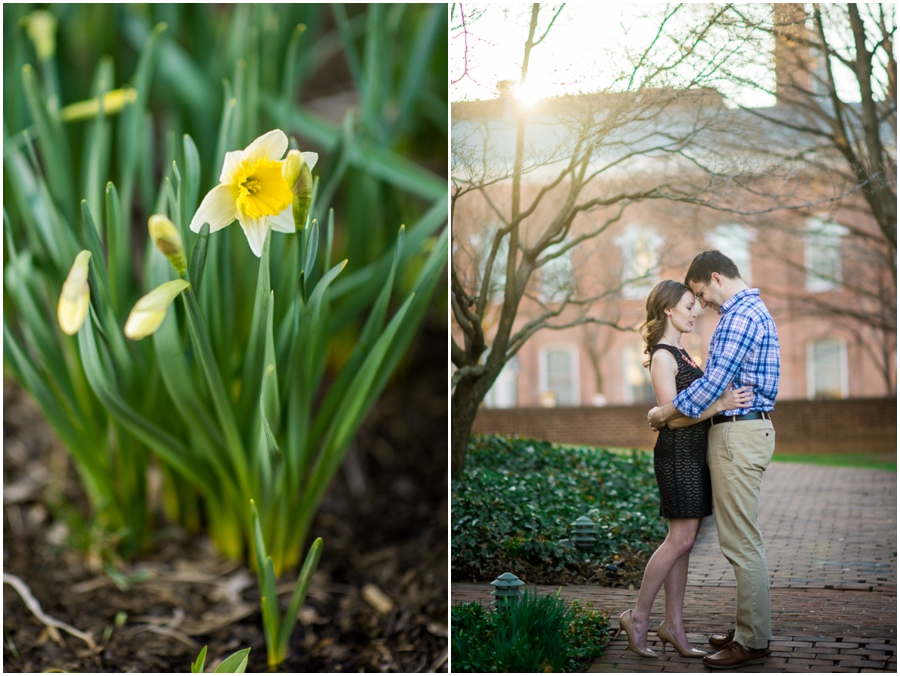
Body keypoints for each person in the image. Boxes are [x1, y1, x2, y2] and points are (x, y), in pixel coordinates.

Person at [648, 250, 780, 670]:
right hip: (742, 430)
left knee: (741, 541)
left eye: (701, 295)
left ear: (717, 278)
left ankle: (752, 641)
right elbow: (713, 386)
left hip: (739, 431)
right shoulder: (748, 312)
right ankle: (747, 631)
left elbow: (713, 386)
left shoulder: (739, 317)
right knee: (742, 538)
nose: (702, 305)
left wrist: (662, 413)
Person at [615, 279, 752, 659]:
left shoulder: (683, 352)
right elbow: (672, 419)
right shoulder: (663, 356)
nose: (695, 311)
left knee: (685, 544)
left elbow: (674, 410)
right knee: (679, 540)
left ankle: (673, 625)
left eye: (695, 305)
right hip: (677, 455)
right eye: (689, 305)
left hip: (695, 455)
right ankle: (638, 617)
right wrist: (720, 404)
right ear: (667, 311)